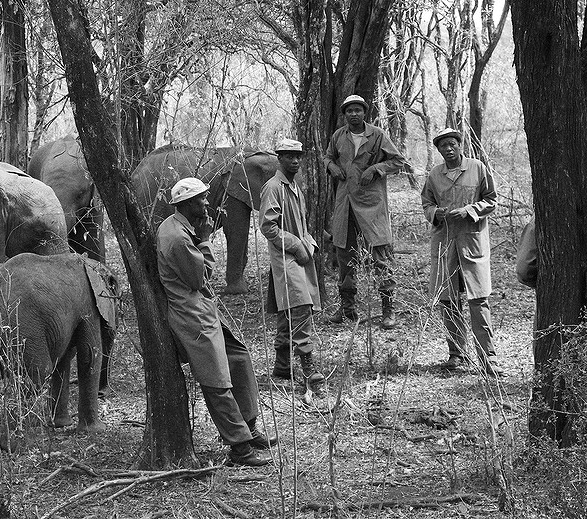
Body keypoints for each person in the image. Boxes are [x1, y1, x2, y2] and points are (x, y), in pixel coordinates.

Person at [156, 177, 275, 466]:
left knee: (239, 356)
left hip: (204, 309)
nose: (207, 203)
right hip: (192, 316)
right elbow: (199, 278)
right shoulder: (177, 238)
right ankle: (240, 448)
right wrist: (207, 238)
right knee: (217, 382)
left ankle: (248, 426)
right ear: (186, 204)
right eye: (202, 199)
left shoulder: (181, 228)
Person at [422, 127, 502, 375]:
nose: (448, 148)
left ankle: (488, 358)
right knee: (448, 300)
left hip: (472, 242)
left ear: (460, 145)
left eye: (452, 144)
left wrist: (470, 210)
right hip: (445, 242)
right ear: (438, 149)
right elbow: (427, 202)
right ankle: (457, 354)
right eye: (443, 145)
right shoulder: (435, 175)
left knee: (478, 300)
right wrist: (436, 213)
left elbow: (492, 199)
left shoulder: (477, 168)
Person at [324, 94, 409, 327]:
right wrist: (331, 166)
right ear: (344, 114)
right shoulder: (338, 136)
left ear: (364, 112)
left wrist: (377, 168)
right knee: (345, 257)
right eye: (349, 110)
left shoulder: (378, 135)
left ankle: (388, 310)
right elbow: (328, 157)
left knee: (381, 257)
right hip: (345, 204)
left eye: (358, 110)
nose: (354, 114)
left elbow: (399, 161)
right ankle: (348, 309)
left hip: (372, 205)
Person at [258, 137, 325, 395]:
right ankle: (309, 370)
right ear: (279, 158)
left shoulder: (295, 187)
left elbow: (302, 223)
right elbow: (268, 226)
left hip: (299, 256)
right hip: (286, 258)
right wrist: (296, 245)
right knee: (300, 308)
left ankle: (283, 366)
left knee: (290, 309)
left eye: (298, 156)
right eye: (289, 156)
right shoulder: (273, 187)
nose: (295, 160)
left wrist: (309, 243)